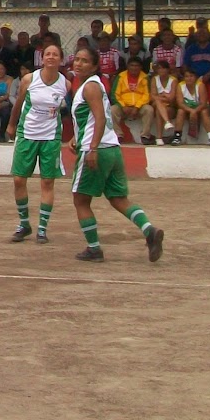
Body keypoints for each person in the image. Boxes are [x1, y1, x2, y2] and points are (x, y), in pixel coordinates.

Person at [69, 45, 166, 264]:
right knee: (118, 198)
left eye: (85, 61)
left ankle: (94, 248)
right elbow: (94, 119)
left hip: (97, 149)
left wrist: (92, 147)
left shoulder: (89, 87)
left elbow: (100, 118)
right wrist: (77, 136)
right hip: (112, 149)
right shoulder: (95, 85)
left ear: (94, 66)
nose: (79, 63)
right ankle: (149, 230)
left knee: (81, 200)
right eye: (77, 59)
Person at [10, 43, 68, 245]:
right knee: (19, 179)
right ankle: (24, 223)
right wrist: (11, 125)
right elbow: (18, 103)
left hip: (51, 136)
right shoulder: (29, 79)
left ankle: (42, 228)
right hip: (27, 133)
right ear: (42, 59)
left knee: (47, 182)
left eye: (55, 54)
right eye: (47, 54)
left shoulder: (65, 84)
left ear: (61, 60)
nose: (51, 57)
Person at [175, 64, 210, 145]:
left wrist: (194, 111)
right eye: (187, 76)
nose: (189, 78)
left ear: (195, 77)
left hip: (200, 107)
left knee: (204, 112)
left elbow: (203, 103)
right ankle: (177, 137)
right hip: (187, 108)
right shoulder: (180, 86)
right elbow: (180, 103)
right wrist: (191, 111)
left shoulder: (200, 85)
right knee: (180, 111)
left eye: (191, 76)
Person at [112, 57, 151, 141]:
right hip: (123, 107)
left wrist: (137, 107)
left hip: (139, 107)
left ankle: (145, 136)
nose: (134, 68)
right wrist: (123, 106)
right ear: (128, 66)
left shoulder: (145, 77)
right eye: (132, 65)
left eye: (137, 66)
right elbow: (115, 94)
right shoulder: (121, 76)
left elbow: (147, 95)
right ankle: (118, 135)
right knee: (112, 110)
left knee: (149, 109)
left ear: (140, 67)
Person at [147, 59, 179, 144]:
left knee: (159, 110)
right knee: (157, 102)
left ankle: (159, 138)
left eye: (163, 68)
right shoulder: (154, 79)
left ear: (168, 69)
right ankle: (167, 122)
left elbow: (172, 98)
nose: (161, 70)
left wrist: (160, 96)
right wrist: (165, 96)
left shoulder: (173, 80)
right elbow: (152, 97)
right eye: (159, 68)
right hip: (157, 104)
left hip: (170, 106)